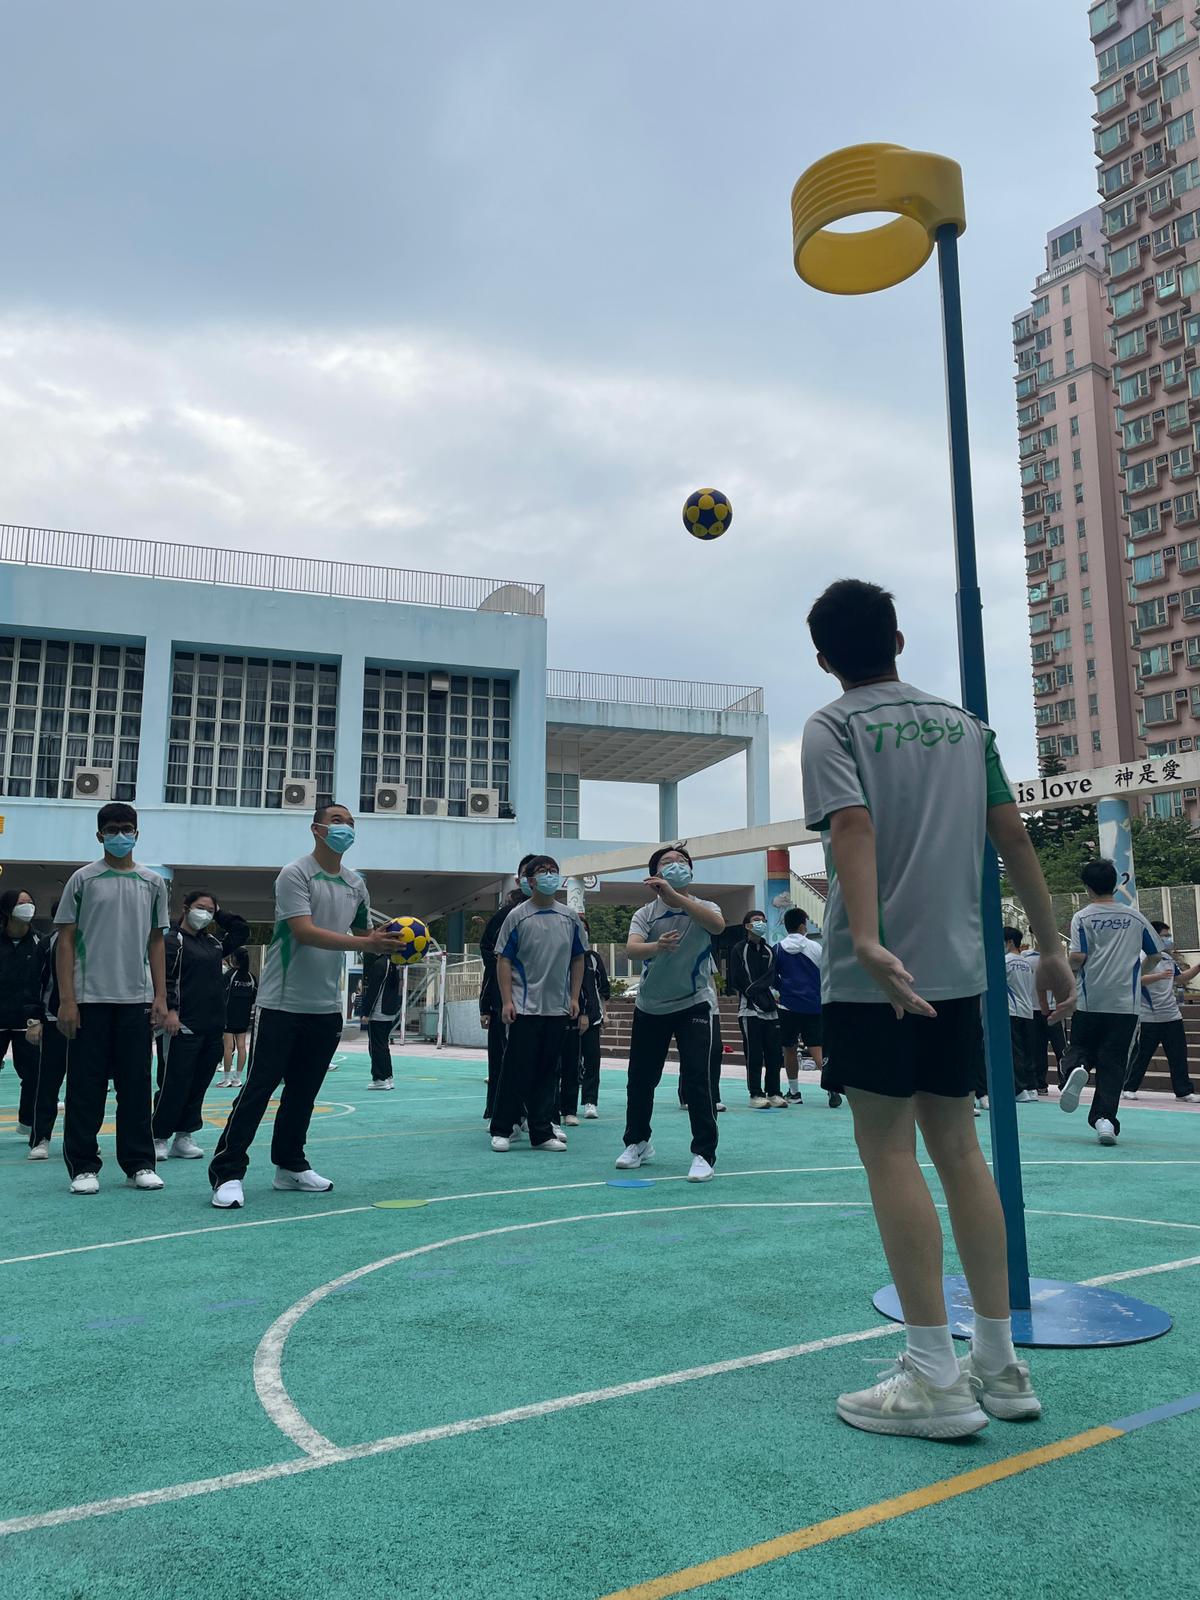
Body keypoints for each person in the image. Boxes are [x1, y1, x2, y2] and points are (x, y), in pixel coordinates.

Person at [801, 579, 1074, 1439]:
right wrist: (1052, 944)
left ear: (824, 658)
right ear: (898, 640)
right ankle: (1000, 1364)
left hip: (873, 976)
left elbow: (851, 828)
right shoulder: (968, 728)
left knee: (889, 1152)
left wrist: (868, 937)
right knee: (959, 1148)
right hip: (958, 972)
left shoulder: (832, 726)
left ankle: (933, 1377)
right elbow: (1013, 833)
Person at [208, 803, 401, 1208]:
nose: (345, 827)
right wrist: (366, 942)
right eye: (337, 821)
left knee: (304, 1092)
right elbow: (304, 931)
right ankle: (227, 1171)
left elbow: (364, 933)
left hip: (325, 1005)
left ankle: (290, 1165)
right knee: (259, 1089)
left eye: (351, 822)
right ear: (316, 829)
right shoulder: (295, 874)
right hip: (282, 1001)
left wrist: (392, 939)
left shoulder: (356, 884)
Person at [55, 803, 171, 1195]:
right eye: (112, 829)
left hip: (136, 1000)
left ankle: (139, 1163)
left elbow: (156, 941)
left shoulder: (153, 883)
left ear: (137, 834)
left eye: (126, 829)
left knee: (135, 1086)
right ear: (99, 835)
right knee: (85, 1087)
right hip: (89, 999)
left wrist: (160, 996)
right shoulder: (83, 880)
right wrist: (67, 999)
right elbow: (66, 941)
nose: (120, 835)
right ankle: (83, 1166)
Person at [616, 846, 725, 1182]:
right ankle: (637, 1142)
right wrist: (657, 946)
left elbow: (717, 926)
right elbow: (632, 949)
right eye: (667, 862)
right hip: (651, 1005)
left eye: (682, 862)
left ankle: (703, 1153)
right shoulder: (645, 914)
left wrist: (677, 898)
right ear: (655, 876)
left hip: (694, 1002)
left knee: (697, 1077)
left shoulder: (705, 907)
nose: (676, 865)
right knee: (641, 1079)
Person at [1061, 859, 1163, 1145]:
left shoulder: (1082, 917)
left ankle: (1079, 1068)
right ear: (1115, 884)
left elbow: (1078, 956)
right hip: (1124, 1004)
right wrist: (1137, 973)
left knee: (1080, 1046)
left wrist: (1066, 969)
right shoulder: (1135, 918)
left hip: (1090, 1000)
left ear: (1087, 887)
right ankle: (1105, 1121)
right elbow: (1155, 954)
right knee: (1114, 1062)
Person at [489, 855, 585, 1153]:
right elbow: (503, 960)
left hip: (557, 1008)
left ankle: (542, 1132)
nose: (549, 875)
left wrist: (574, 997)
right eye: (542, 871)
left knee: (548, 1071)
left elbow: (578, 958)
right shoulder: (516, 916)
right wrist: (507, 1001)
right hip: (524, 1007)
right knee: (515, 1069)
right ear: (530, 881)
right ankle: (503, 1128)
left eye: (553, 871)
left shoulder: (570, 917)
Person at [153, 891, 249, 1160]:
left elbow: (241, 931)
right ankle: (159, 1135)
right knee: (173, 1083)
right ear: (185, 908)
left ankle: (184, 1135)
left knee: (198, 1084)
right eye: (200, 907)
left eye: (210, 910)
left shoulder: (213, 943)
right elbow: (165, 978)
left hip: (213, 1025)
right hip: (181, 1025)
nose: (204, 914)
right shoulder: (172, 941)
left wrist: (219, 913)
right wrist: (171, 1010)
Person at [479, 856, 536, 1120]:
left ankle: (539, 1114)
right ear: (519, 879)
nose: (537, 879)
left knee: (541, 1059)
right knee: (504, 1056)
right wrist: (489, 1003)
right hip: (507, 1000)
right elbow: (490, 956)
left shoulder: (558, 915)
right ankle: (501, 1112)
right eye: (529, 873)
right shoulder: (506, 916)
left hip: (543, 1001)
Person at [1125, 919, 1200, 1102]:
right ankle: (1129, 1087)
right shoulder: (1140, 957)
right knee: (1142, 1055)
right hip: (1149, 1017)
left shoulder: (1167, 958)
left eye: (1169, 935)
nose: (1168, 939)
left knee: (1178, 1055)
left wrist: (1198, 967)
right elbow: (1134, 981)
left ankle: (1183, 1091)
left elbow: (1180, 978)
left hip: (1172, 1015)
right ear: (1153, 936)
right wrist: (1159, 976)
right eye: (1165, 936)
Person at [775, 908, 839, 1108]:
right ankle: (831, 1087)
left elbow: (773, 978)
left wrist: (783, 990)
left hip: (787, 1006)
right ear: (803, 925)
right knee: (816, 1047)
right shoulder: (815, 948)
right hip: (813, 1005)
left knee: (790, 1048)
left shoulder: (777, 949)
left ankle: (794, 1093)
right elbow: (826, 974)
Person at [731, 910, 787, 1109]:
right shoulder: (739, 949)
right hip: (749, 1009)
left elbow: (770, 977)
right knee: (754, 1054)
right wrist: (752, 993)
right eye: (756, 920)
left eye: (763, 920)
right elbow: (738, 978)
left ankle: (774, 1092)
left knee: (774, 1054)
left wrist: (763, 995)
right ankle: (755, 1094)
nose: (761, 923)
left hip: (770, 1009)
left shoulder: (769, 951)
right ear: (747, 925)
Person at [0, 887, 43, 1137]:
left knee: (33, 1073)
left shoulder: (40, 942)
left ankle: (28, 1121)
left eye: (30, 902)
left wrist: (37, 1017)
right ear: (8, 909)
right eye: (21, 903)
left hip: (27, 1021)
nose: (28, 907)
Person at [26, 900, 68, 1160]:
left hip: (88, 1023)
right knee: (48, 1083)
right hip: (54, 1021)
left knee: (85, 1085)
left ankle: (82, 1138)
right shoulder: (48, 943)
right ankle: (41, 1138)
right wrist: (35, 1019)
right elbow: (35, 982)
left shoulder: (93, 941)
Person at [559, 916, 610, 1123]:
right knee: (567, 1063)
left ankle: (590, 1101)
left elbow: (601, 988)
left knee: (592, 1060)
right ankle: (563, 1106)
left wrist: (603, 1014)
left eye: (585, 929)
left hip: (592, 1018)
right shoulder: (562, 956)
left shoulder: (593, 958)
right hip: (567, 1018)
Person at [360, 940, 403, 1090]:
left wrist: (366, 1012)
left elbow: (374, 990)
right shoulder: (393, 963)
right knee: (383, 1045)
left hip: (378, 1011)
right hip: (388, 1010)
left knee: (376, 1046)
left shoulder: (380, 964)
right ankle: (388, 1076)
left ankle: (380, 1078)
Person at [1004, 927, 1040, 1104]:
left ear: (1010, 942)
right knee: (1028, 1051)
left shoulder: (1004, 962)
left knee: (1015, 1051)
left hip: (1012, 1010)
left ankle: (1019, 1089)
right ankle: (1032, 1087)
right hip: (1028, 1010)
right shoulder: (1026, 963)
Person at [220, 948, 257, 1087]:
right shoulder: (251, 977)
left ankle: (227, 1079)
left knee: (228, 1047)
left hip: (229, 1016)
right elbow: (254, 997)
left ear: (234, 959)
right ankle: (237, 1079)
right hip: (244, 1017)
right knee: (241, 1046)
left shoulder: (230, 975)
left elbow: (221, 993)